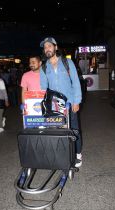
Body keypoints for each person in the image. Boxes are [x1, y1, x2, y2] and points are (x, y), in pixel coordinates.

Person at [40, 37, 83, 168]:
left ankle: (78, 154)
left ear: (55, 47)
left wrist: (77, 101)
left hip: (70, 102)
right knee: (58, 131)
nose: (47, 49)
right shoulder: (43, 67)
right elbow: (43, 88)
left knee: (74, 129)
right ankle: (62, 153)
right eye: (45, 47)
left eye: (49, 46)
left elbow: (75, 82)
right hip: (54, 106)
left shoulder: (67, 62)